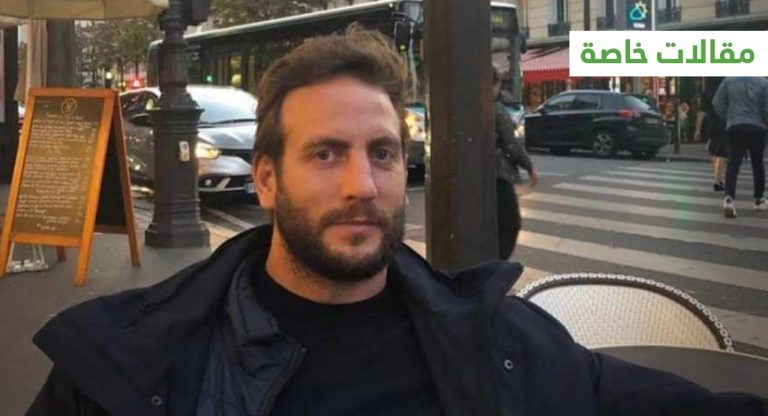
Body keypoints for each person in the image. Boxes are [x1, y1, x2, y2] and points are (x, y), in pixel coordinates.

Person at [26, 30, 767, 416]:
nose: (363, 185)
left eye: (382, 153)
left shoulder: (498, 338)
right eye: (326, 154)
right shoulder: (127, 361)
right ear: (267, 181)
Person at [493, 68, 537, 260]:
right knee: (510, 223)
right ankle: (498, 264)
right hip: (498, 175)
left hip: (478, 178)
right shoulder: (496, 109)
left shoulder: (471, 107)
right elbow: (511, 143)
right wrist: (529, 167)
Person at [713, 76, 768, 218]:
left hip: (735, 125)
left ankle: (729, 198)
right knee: (758, 164)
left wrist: (729, 118)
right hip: (756, 126)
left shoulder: (730, 80)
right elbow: (766, 107)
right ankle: (759, 198)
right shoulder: (763, 82)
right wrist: (764, 121)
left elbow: (717, 102)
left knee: (733, 164)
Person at [698, 93, 728, 192]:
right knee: (721, 154)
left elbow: (701, 112)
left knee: (715, 152)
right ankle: (717, 181)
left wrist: (698, 129)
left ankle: (718, 178)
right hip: (721, 125)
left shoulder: (707, 94)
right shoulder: (725, 93)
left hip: (710, 125)